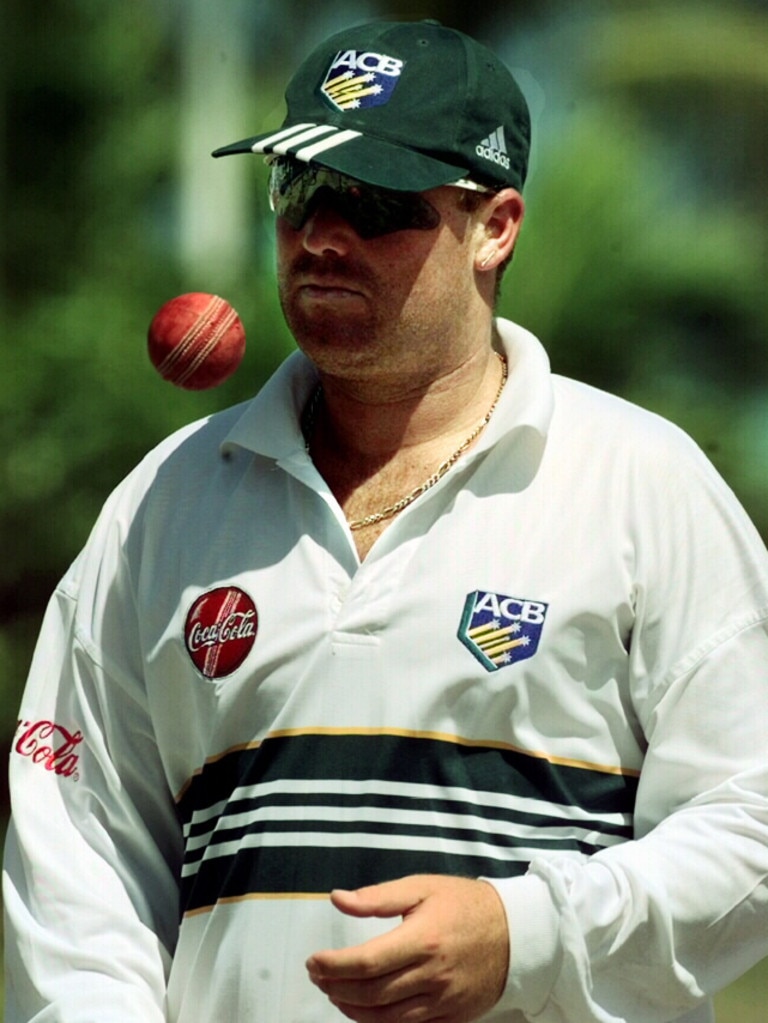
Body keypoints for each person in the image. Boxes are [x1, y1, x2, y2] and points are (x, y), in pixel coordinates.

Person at [3, 17, 767, 1023]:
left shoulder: (640, 482)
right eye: (302, 191)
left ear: (496, 225)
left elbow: (751, 825)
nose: (323, 234)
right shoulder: (164, 502)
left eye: (375, 204)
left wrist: (526, 933)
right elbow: (78, 850)